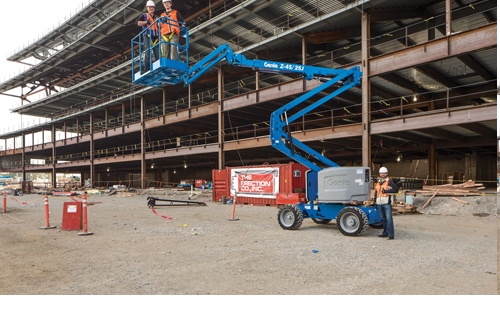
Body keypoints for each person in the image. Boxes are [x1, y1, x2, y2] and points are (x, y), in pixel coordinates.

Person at [374, 166, 399, 240]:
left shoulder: (390, 181)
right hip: (380, 202)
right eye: (381, 173)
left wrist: (386, 191)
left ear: (387, 173)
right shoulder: (379, 182)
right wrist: (375, 201)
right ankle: (385, 233)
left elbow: (396, 190)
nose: (382, 174)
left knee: (389, 219)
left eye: (384, 173)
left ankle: (391, 235)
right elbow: (376, 192)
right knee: (383, 219)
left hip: (387, 203)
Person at [136, 1, 160, 72]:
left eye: (152, 7)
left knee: (158, 54)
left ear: (154, 8)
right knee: (148, 53)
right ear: (147, 8)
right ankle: (147, 69)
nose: (151, 9)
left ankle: (157, 67)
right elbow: (137, 23)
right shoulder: (144, 16)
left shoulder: (156, 17)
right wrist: (146, 22)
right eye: (149, 7)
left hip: (156, 37)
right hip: (147, 36)